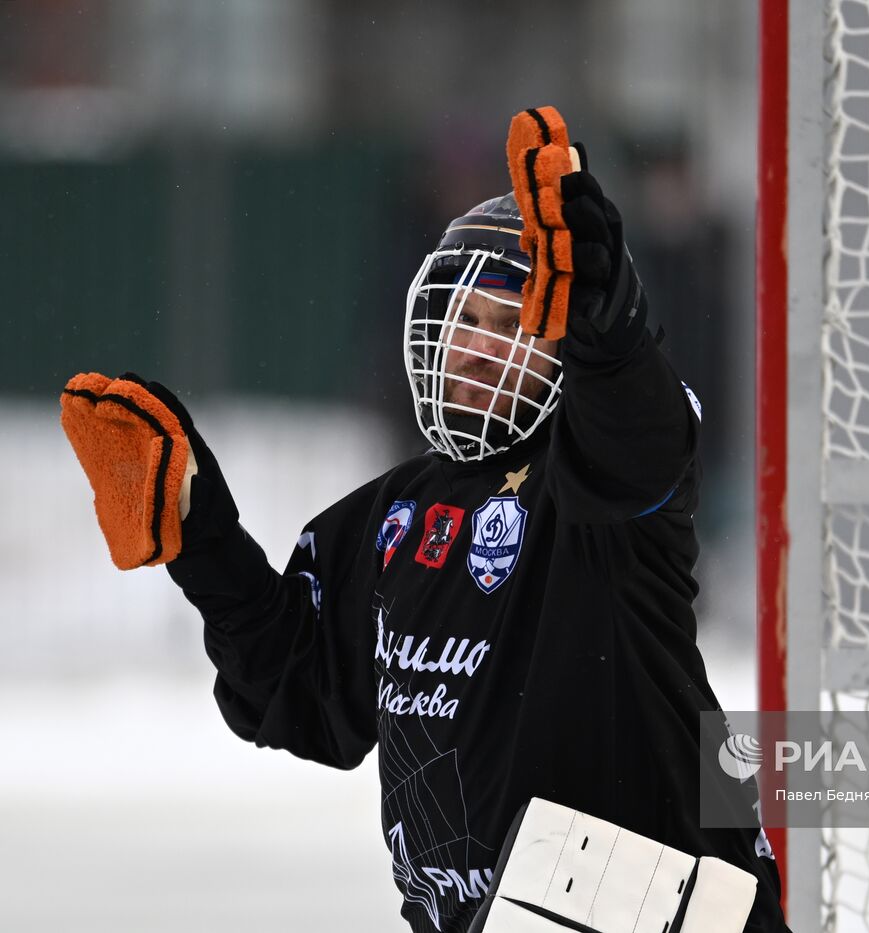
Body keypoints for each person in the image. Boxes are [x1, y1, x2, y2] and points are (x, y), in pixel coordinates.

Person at [65, 167, 788, 932]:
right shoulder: (396, 513)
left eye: (509, 325)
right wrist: (200, 539)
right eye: (464, 319)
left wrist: (611, 331)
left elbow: (639, 433)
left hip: (665, 910)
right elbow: (305, 694)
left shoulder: (598, 484)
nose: (475, 348)